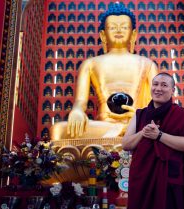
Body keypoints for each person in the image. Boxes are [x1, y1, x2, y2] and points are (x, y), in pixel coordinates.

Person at [50, 3, 158, 140]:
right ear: (103, 35)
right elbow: (80, 101)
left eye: (124, 27)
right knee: (58, 131)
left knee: (161, 128)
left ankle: (124, 132)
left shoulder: (147, 64)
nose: (119, 30)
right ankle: (120, 132)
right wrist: (77, 110)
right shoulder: (90, 64)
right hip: (104, 125)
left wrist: (142, 116)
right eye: (113, 27)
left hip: (138, 124)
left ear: (133, 34)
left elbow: (157, 105)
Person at [122, 73, 184, 209]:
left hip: (169, 180)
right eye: (155, 84)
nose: (158, 88)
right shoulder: (139, 114)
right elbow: (126, 144)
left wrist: (159, 136)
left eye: (164, 85)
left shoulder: (182, 115)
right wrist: (142, 133)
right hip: (142, 178)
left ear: (172, 90)